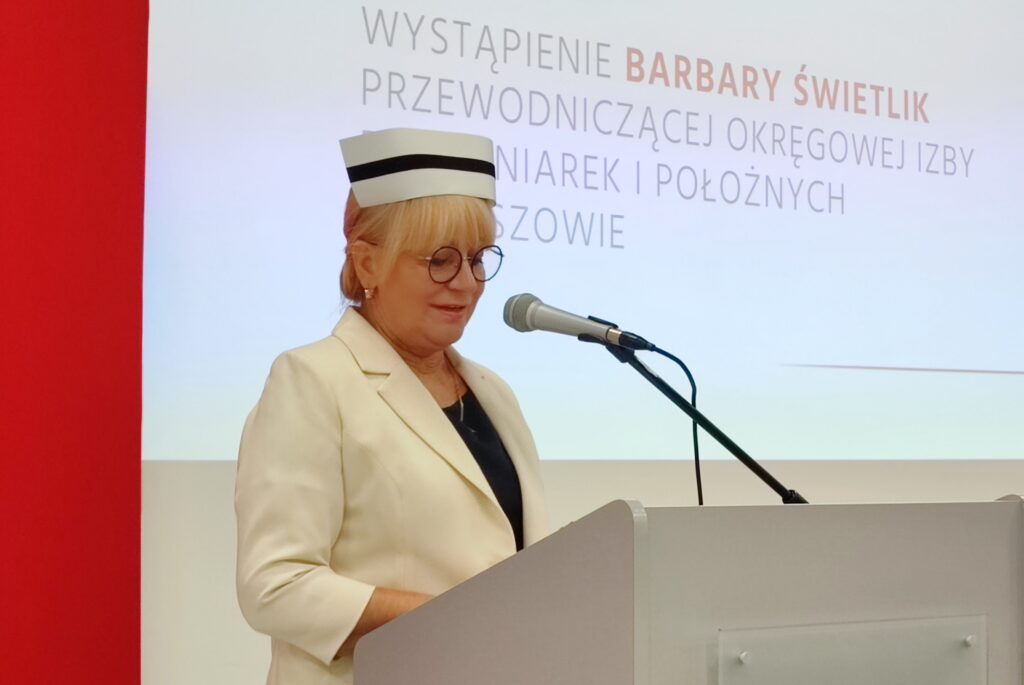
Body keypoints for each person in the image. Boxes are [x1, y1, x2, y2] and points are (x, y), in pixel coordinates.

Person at [235, 128, 548, 685]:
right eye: (440, 260)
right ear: (367, 264)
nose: (467, 284)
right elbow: (275, 585)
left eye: (478, 259)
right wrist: (450, 618)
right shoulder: (313, 380)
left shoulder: (493, 392)